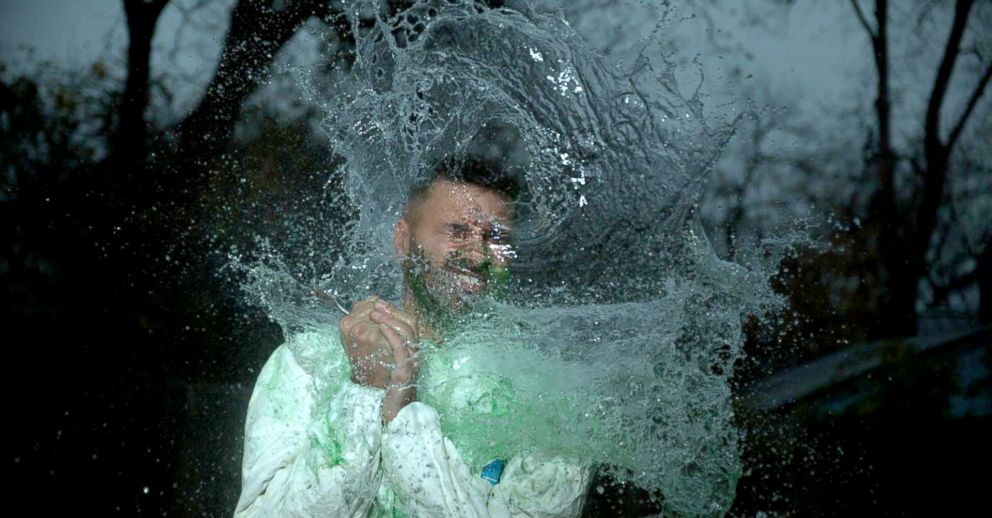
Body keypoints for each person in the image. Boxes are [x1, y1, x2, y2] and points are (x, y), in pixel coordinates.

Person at [233, 157, 594, 517]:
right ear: (403, 240)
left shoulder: (551, 390)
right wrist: (364, 388)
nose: (477, 254)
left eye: (495, 237)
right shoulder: (308, 358)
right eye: (457, 231)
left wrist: (405, 417)